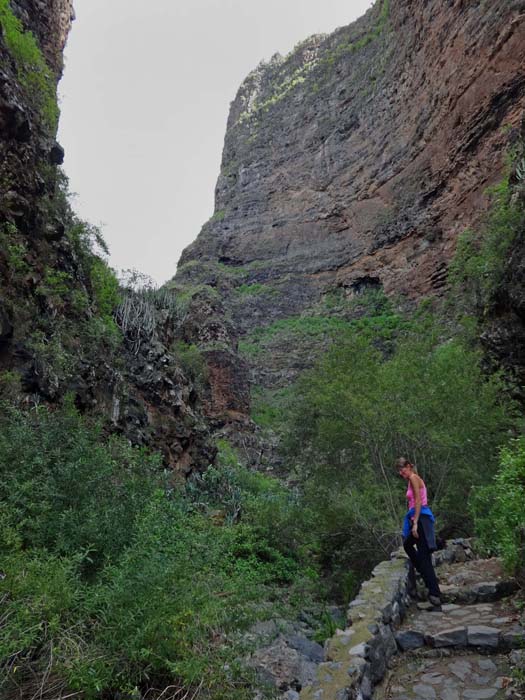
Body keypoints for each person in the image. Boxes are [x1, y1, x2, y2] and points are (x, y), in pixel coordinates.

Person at [396, 457, 441, 606]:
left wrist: (415, 523)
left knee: (424, 555)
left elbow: (418, 501)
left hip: (421, 518)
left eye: (402, 470)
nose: (401, 474)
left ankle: (434, 593)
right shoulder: (410, 480)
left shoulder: (414, 478)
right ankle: (425, 575)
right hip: (417, 517)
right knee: (409, 546)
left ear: (409, 466)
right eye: (400, 472)